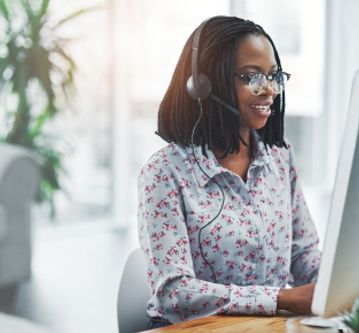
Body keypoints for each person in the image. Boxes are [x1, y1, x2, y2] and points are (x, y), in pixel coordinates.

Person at [137, 15, 321, 328]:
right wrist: (280, 299)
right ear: (204, 84)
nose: (269, 91)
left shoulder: (279, 156)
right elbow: (174, 293)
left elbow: (303, 255)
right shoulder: (165, 172)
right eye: (251, 77)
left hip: (268, 327)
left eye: (274, 76)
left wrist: (346, 283)